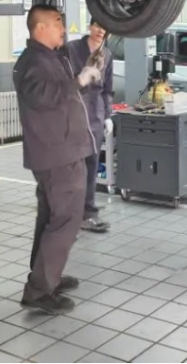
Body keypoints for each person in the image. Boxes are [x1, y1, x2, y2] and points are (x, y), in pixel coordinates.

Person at [13, 4, 101, 315]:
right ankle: (40, 290)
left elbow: (62, 93)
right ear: (40, 28)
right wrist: (77, 81)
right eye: (57, 23)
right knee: (66, 219)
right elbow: (42, 96)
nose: (63, 29)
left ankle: (47, 276)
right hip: (57, 154)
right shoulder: (34, 61)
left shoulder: (49, 57)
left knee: (51, 217)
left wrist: (85, 71)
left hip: (60, 151)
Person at [64, 18, 114, 234]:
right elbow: (63, 83)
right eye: (97, 26)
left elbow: (107, 89)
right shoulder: (71, 49)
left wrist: (108, 115)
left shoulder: (107, 55)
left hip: (95, 113)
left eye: (105, 28)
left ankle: (89, 213)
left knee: (92, 165)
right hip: (74, 111)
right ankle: (69, 213)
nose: (101, 31)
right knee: (74, 166)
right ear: (90, 26)